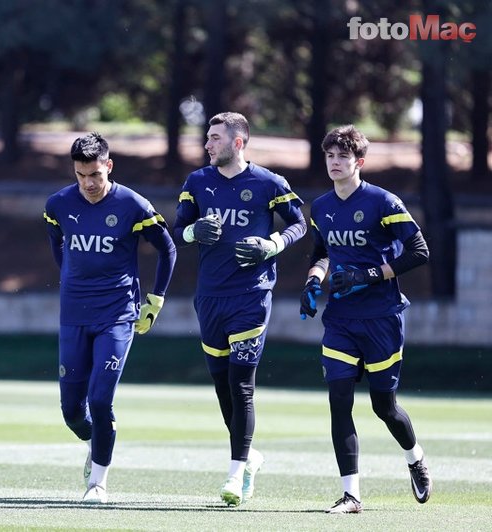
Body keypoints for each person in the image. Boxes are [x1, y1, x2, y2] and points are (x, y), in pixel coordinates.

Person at [173, 112, 307, 506]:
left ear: (238, 142)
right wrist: (193, 231)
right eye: (207, 137)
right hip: (209, 298)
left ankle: (234, 475)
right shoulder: (197, 182)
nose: (207, 144)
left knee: (241, 386)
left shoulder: (269, 183)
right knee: (222, 387)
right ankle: (250, 457)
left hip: (251, 295)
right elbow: (176, 231)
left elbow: (299, 224)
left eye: (214, 138)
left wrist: (273, 244)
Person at [300, 124, 432, 514]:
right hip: (340, 319)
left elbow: (419, 251)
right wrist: (313, 281)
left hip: (382, 317)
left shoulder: (383, 202)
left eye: (343, 156)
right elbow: (322, 252)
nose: (335, 163)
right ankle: (351, 495)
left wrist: (369, 275)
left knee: (383, 407)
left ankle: (415, 459)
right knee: (339, 401)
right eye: (330, 156)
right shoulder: (321, 207)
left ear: (359, 162)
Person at [43, 132, 176, 504]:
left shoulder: (133, 205)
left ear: (109, 167)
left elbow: (167, 249)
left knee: (100, 401)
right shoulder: (58, 204)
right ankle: (96, 441)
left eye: (95, 175)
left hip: (117, 315)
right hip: (73, 315)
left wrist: (155, 300)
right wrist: (72, 279)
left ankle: (97, 484)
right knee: (72, 411)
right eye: (81, 175)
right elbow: (57, 243)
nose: (88, 184)